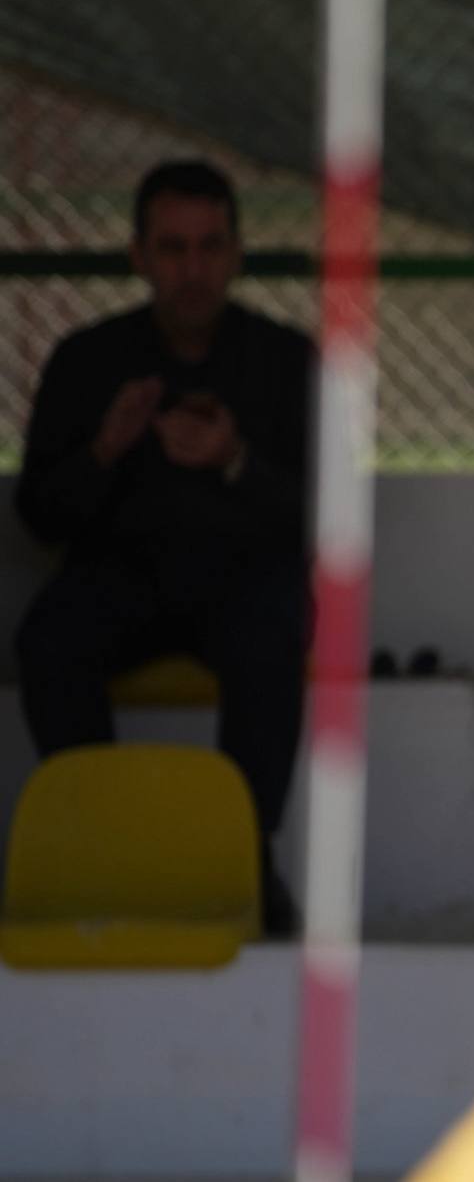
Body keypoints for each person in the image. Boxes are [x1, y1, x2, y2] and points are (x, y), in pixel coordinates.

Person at [13, 159, 315, 936]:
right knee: (49, 639)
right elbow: (40, 513)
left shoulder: (284, 360)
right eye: (173, 248)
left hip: (242, 578)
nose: (192, 268)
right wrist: (104, 449)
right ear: (139, 255)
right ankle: (102, 849)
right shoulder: (88, 360)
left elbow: (328, 517)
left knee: (273, 630)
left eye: (210, 246)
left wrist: (235, 460)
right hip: (123, 577)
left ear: (236, 254)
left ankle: (245, 861)